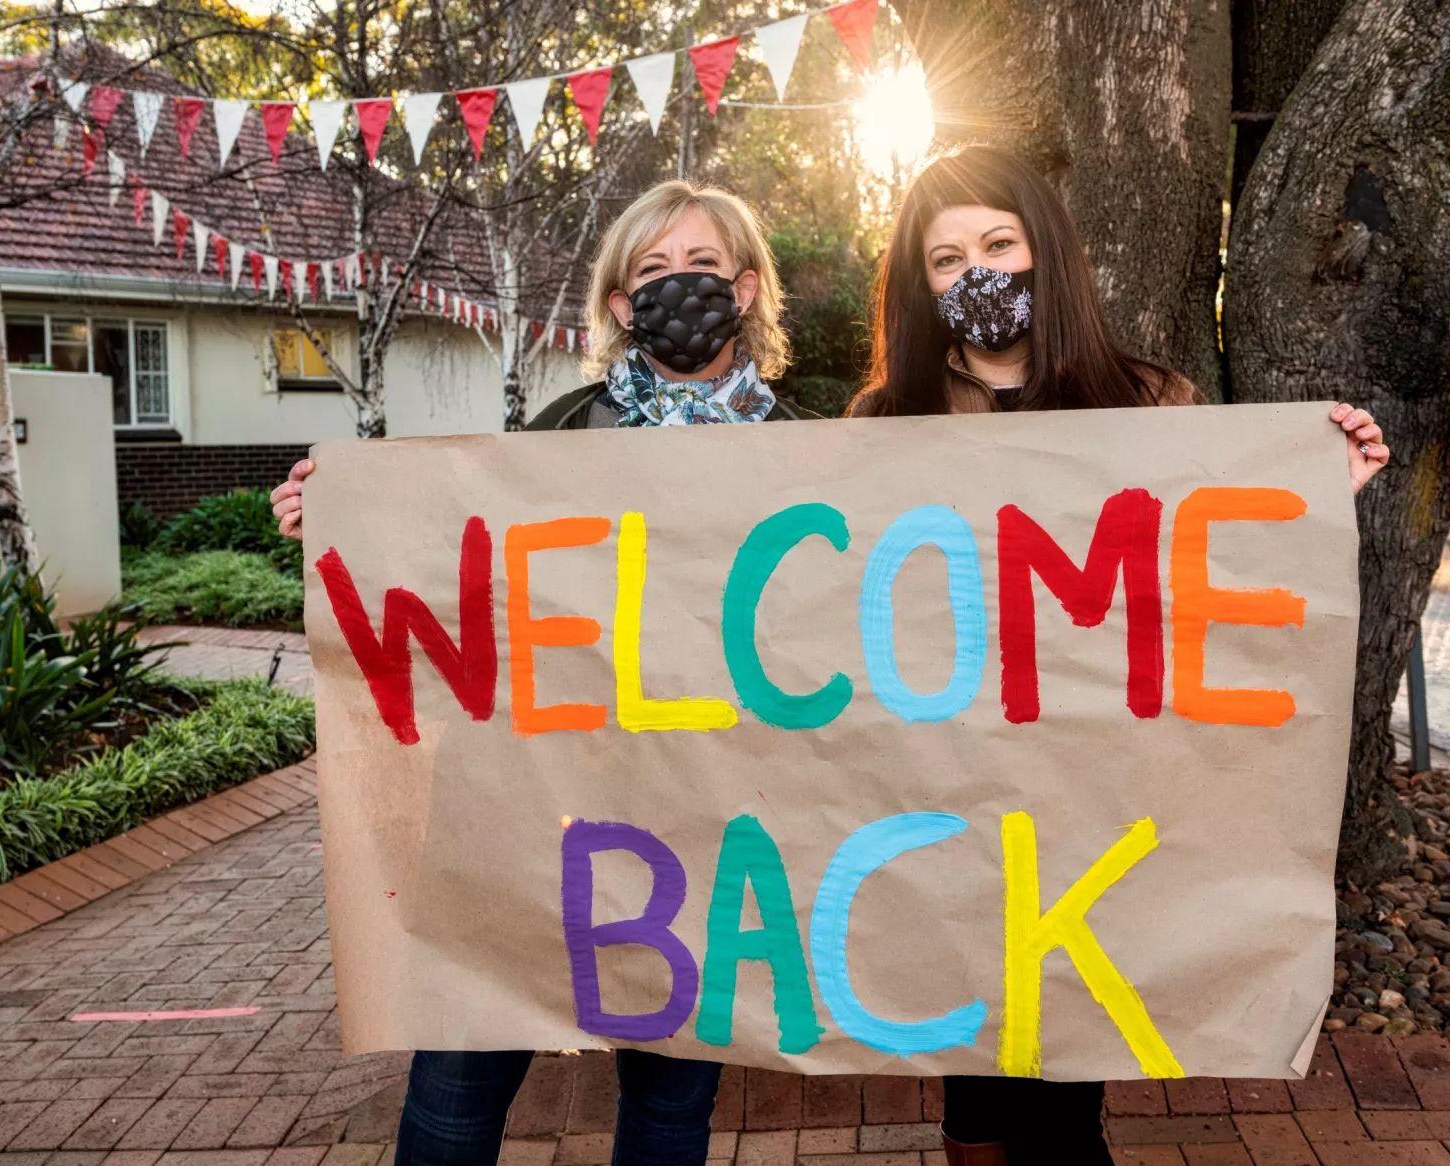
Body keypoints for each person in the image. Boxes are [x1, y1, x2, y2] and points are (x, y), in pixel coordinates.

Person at [848, 145, 1389, 1166]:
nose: (977, 271)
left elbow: (1212, 570)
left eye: (998, 243)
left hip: (1090, 803)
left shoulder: (1146, 403)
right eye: (946, 256)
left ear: (1045, 252)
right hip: (946, 801)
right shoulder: (884, 424)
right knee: (971, 1092)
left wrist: (1319, 492)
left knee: (1058, 1092)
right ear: (919, 285)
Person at [270, 179, 818, 1165]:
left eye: (698, 267)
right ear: (618, 304)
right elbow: (459, 558)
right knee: (453, 1093)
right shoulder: (559, 430)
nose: (675, 287)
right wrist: (345, 514)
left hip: (704, 824)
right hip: (533, 808)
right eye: (651, 271)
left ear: (743, 288)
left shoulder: (815, 451)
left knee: (666, 1110)